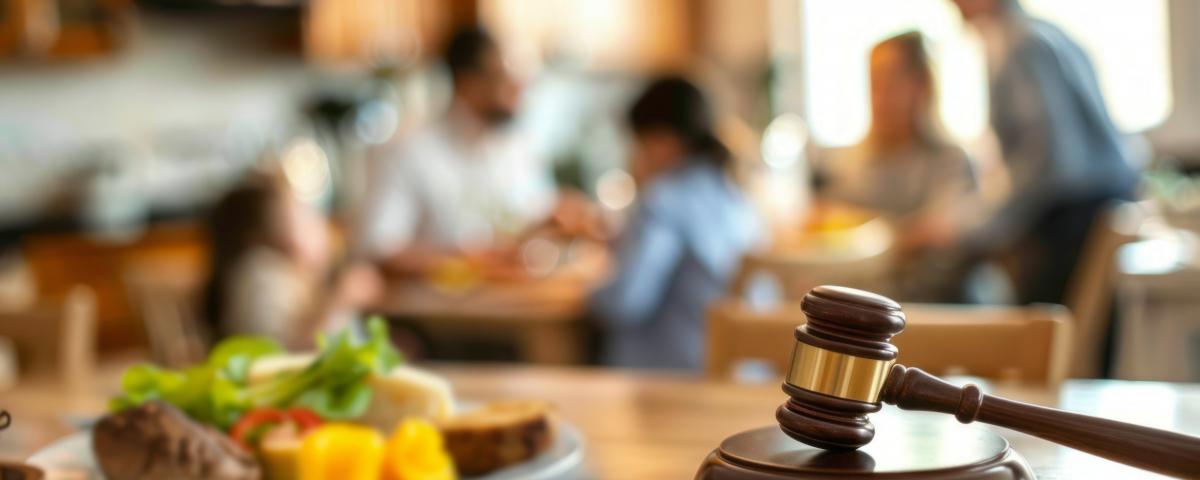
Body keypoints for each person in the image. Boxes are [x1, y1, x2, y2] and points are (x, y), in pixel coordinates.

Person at [934, 0, 1139, 304]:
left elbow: (1047, 161)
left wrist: (975, 226)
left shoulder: (1018, 46)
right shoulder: (1046, 32)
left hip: (1072, 225)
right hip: (1104, 208)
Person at [589, 77, 762, 371]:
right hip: (743, 371)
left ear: (663, 141)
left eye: (640, 143)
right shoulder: (736, 196)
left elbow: (625, 303)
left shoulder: (663, 200)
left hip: (674, 377)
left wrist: (588, 291)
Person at [360, 26, 556, 273]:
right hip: (436, 309)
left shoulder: (518, 147)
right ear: (467, 83)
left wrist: (553, 221)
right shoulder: (409, 150)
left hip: (518, 303)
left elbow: (531, 220)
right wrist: (471, 262)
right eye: (504, 79)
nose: (519, 90)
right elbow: (379, 248)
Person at [817, 31, 979, 302]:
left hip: (940, 310)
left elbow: (938, 232)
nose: (879, 97)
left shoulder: (950, 160)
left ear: (922, 86)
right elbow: (826, 220)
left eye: (891, 82)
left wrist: (869, 235)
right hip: (869, 307)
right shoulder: (853, 162)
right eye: (873, 83)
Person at [203, 172, 382, 348]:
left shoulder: (301, 280)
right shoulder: (261, 276)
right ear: (260, 238)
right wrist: (340, 299)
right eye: (304, 219)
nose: (321, 225)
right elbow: (286, 358)